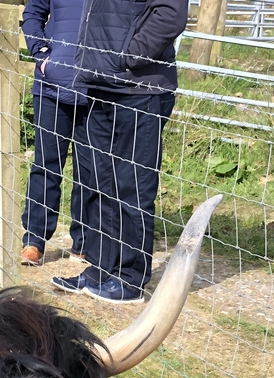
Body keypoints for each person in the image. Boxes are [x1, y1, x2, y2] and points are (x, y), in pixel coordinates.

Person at [51, 0, 188, 301]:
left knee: (132, 187)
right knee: (101, 183)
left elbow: (171, 13)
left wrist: (127, 57)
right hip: (102, 84)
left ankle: (130, 279)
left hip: (138, 89)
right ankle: (101, 268)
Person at [20, 0, 90, 267]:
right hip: (51, 86)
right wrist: (41, 53)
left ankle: (85, 241)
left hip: (95, 85)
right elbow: (33, 13)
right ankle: (34, 240)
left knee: (91, 169)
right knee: (46, 164)